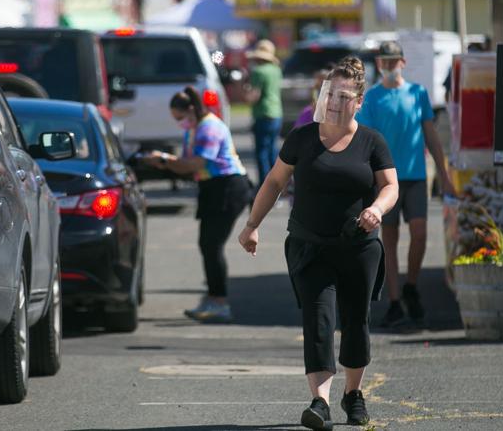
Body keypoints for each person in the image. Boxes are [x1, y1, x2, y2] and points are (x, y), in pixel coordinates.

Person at [238, 57, 398, 430]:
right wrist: (251, 225)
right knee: (319, 321)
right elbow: (275, 182)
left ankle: (353, 394)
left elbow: (390, 186)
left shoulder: (371, 142)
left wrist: (376, 208)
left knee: (356, 322)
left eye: (344, 96)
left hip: (359, 247)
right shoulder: (302, 138)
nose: (335, 102)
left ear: (359, 102)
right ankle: (320, 402)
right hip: (310, 247)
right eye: (330, 93)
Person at [357, 40, 456, 330]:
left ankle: (411, 285)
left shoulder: (417, 93)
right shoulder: (372, 98)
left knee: (420, 232)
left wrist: (445, 174)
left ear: (402, 62)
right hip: (385, 179)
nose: (388, 66)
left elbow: (432, 136)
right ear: (378, 64)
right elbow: (366, 140)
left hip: (414, 176)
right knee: (389, 240)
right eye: (383, 62)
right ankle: (395, 299)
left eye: (393, 61)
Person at [144, 86, 250, 323]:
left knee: (212, 245)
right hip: (212, 188)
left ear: (191, 110)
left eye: (180, 118)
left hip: (227, 187)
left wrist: (163, 160)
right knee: (207, 245)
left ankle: (220, 302)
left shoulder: (209, 128)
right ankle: (214, 298)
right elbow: (185, 164)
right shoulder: (193, 128)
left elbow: (194, 164)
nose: (179, 123)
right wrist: (165, 163)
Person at [245, 39, 283, 188]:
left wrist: (244, 91)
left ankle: (265, 185)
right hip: (276, 113)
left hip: (263, 114)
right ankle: (277, 184)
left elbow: (253, 97)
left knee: (261, 152)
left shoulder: (258, 72)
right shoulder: (276, 70)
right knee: (272, 150)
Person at [293, 63, 334, 130]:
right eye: (319, 78)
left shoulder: (331, 90)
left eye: (323, 79)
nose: (321, 81)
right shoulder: (315, 89)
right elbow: (314, 101)